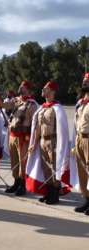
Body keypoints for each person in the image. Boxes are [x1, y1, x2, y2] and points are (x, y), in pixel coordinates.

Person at [0, 81, 38, 196]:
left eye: (22, 87)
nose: (19, 88)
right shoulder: (15, 101)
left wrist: (33, 141)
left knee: (22, 162)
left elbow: (36, 124)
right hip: (12, 135)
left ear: (28, 90)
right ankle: (16, 182)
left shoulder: (32, 105)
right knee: (14, 161)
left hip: (23, 137)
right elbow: (0, 105)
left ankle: (22, 185)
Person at [27, 82, 70, 205]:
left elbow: (62, 129)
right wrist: (34, 142)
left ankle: (55, 194)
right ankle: (49, 191)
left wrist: (58, 145)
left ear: (52, 92)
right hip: (42, 142)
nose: (42, 89)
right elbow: (38, 127)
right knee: (46, 168)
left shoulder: (57, 108)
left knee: (54, 168)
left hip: (53, 142)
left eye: (45, 89)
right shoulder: (42, 108)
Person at [70, 72, 89, 215]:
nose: (84, 83)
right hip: (80, 139)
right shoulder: (81, 103)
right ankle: (87, 199)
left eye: (87, 81)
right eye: (83, 81)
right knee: (82, 171)